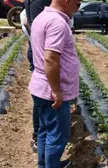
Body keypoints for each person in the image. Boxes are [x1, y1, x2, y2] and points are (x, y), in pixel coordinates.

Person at [29, 0, 80, 166]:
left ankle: (45, 165)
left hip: (41, 87)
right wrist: (57, 91)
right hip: (52, 92)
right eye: (77, 4)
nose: (78, 8)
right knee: (57, 136)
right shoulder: (57, 23)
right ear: (67, 1)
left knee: (45, 130)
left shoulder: (42, 17)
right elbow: (50, 58)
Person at [24, 0, 52, 153]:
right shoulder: (39, 1)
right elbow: (35, 26)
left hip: (38, 52)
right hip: (41, 56)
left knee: (41, 98)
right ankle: (38, 138)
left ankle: (40, 138)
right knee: (41, 98)